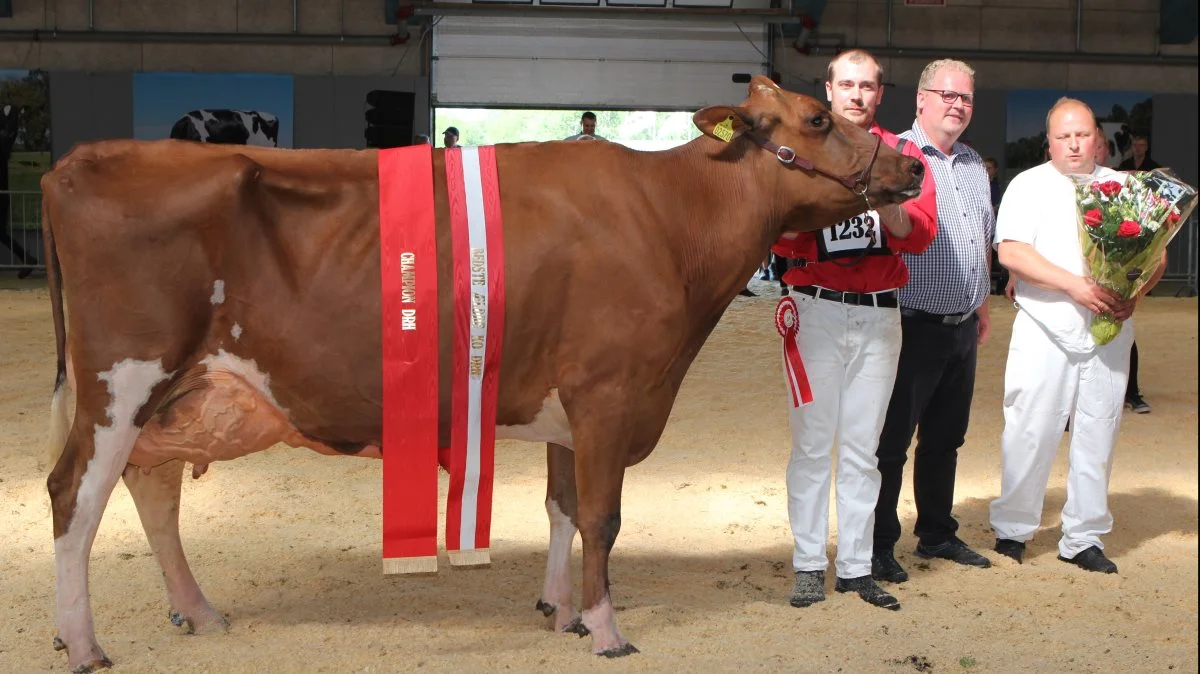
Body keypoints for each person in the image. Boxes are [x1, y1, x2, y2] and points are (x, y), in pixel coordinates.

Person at [771, 49, 937, 611]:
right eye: (847, 84)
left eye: (868, 86)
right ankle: (809, 565)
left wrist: (887, 202)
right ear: (829, 89)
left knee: (864, 449)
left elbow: (920, 234)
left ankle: (858, 566)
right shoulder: (803, 154)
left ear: (880, 93)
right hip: (813, 309)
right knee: (813, 446)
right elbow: (777, 233)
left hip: (878, 312)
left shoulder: (905, 156)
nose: (858, 95)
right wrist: (823, 214)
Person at [988, 98, 1166, 574]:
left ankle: (1083, 536)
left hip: (1108, 330)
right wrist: (1074, 286)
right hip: (1045, 326)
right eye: (1063, 136)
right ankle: (1013, 529)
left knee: (1099, 429)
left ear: (1098, 139)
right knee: (1029, 428)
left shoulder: (1125, 187)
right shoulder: (1028, 185)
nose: (1073, 144)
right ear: (1049, 140)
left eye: (1082, 135)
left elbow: (1157, 258)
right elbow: (1011, 253)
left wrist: (1137, 293)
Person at [872, 59, 996, 584]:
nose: (957, 105)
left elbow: (981, 240)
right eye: (947, 95)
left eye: (965, 97)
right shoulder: (896, 157)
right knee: (892, 443)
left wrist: (982, 305)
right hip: (910, 322)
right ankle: (878, 545)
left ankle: (937, 533)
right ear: (921, 99)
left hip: (964, 323)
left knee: (946, 437)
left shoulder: (971, 164)